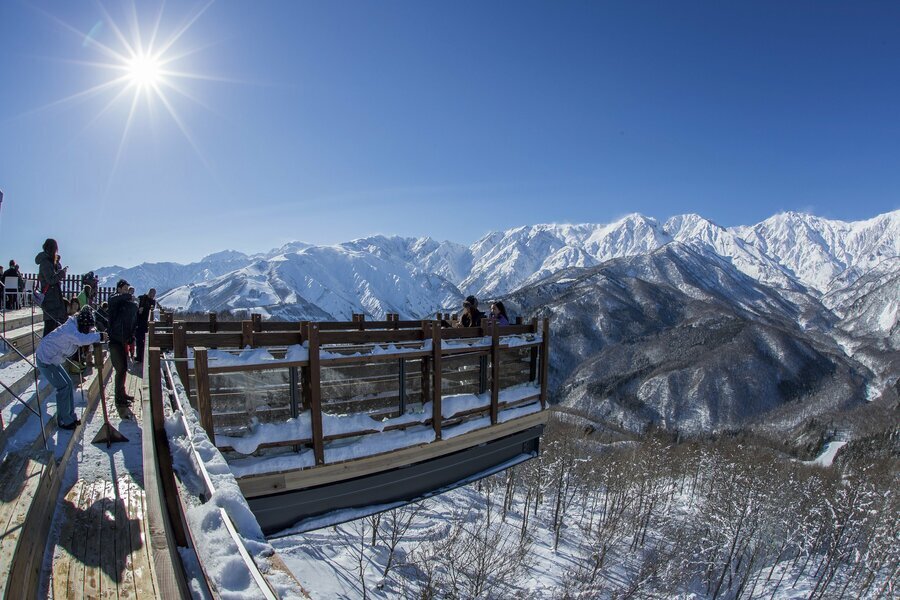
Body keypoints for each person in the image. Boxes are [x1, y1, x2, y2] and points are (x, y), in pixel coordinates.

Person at [36, 307, 106, 430]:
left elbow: (85, 335)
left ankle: (70, 416)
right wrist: (99, 336)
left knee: (68, 383)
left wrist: (95, 333)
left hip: (52, 359)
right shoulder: (70, 330)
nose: (88, 330)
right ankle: (64, 420)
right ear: (83, 325)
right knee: (63, 387)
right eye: (88, 328)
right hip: (45, 359)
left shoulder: (74, 326)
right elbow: (81, 339)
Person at [107, 279, 138, 406]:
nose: (126, 291)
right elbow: (113, 299)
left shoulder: (124, 304)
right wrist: (127, 295)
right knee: (120, 369)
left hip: (122, 340)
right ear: (119, 289)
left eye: (127, 289)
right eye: (124, 289)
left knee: (123, 369)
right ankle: (119, 398)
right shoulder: (114, 300)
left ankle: (122, 394)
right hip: (114, 340)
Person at [35, 239, 68, 336]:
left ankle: (50, 349)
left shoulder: (50, 262)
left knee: (54, 327)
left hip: (54, 299)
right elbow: (50, 280)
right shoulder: (45, 262)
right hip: (50, 300)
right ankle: (44, 350)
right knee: (49, 328)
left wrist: (58, 265)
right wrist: (61, 274)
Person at [134, 288, 157, 364]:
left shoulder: (153, 302)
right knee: (139, 340)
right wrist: (138, 310)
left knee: (144, 340)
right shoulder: (142, 298)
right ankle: (139, 357)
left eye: (154, 294)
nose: (152, 295)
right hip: (140, 321)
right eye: (152, 293)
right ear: (149, 292)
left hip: (146, 323)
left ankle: (143, 357)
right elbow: (136, 306)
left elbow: (151, 310)